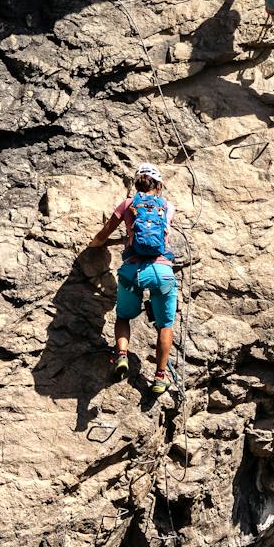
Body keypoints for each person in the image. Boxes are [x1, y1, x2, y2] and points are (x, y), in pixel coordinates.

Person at [88, 163, 179, 395]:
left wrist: (97, 244)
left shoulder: (128, 205)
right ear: (158, 185)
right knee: (165, 325)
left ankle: (121, 355)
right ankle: (160, 377)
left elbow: (104, 233)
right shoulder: (167, 207)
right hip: (162, 271)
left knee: (123, 317)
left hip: (132, 272)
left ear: (136, 183)